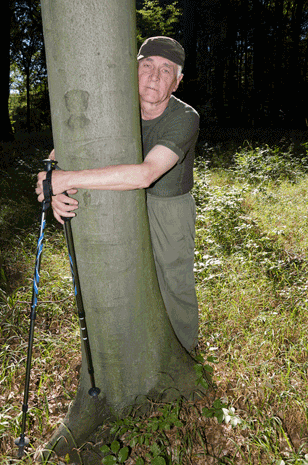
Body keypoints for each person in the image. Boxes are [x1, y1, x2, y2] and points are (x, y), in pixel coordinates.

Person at [36, 36, 200, 353]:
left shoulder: (185, 117)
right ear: (133, 71)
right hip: (120, 201)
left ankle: (184, 353)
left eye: (166, 70)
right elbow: (65, 148)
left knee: (173, 281)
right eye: (147, 65)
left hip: (168, 208)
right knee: (123, 275)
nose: (154, 75)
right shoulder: (113, 107)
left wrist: (66, 177)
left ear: (177, 83)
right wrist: (56, 183)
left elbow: (146, 173)